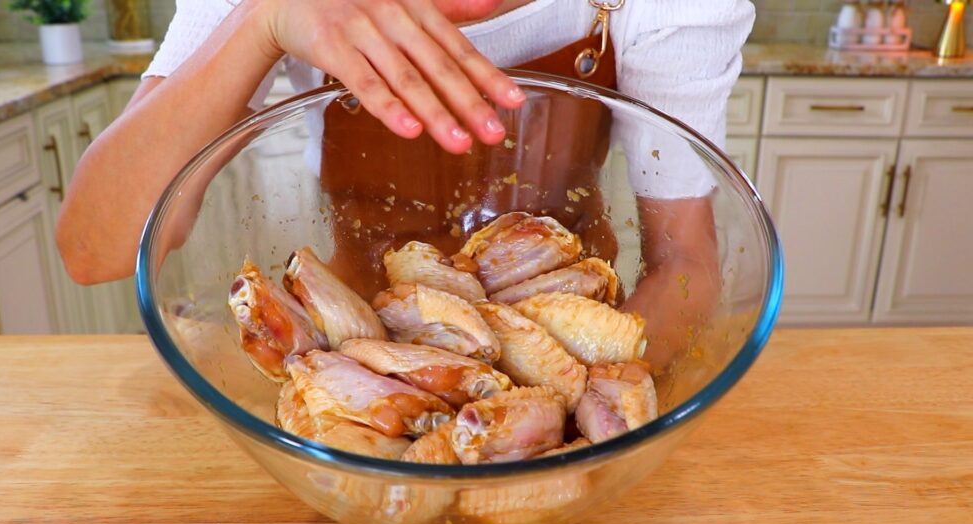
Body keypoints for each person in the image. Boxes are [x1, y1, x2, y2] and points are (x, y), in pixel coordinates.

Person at [56, 0, 754, 369]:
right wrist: (263, 20)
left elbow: (685, 264)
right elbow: (97, 246)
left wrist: (571, 412)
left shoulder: (671, 4)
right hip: (351, 357)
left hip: (567, 356)